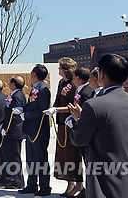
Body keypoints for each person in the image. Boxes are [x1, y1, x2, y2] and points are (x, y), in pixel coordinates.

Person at [69, 53, 128, 198]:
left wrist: (79, 120)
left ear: (101, 74)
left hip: (104, 185)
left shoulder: (94, 105)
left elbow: (78, 139)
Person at [44, 57, 83, 197]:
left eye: (60, 67)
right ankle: (69, 184)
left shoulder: (74, 85)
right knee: (63, 155)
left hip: (70, 122)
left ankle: (79, 184)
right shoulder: (61, 82)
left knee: (74, 155)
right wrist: (54, 108)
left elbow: (73, 105)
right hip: (61, 123)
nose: (58, 70)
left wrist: (58, 110)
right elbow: (57, 99)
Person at [16, 64, 51, 196]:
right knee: (31, 159)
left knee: (41, 159)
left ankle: (44, 187)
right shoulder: (34, 89)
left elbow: (42, 110)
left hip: (39, 130)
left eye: (31, 72)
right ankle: (31, 184)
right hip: (31, 129)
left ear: (35, 74)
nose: (30, 74)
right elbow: (32, 105)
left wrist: (27, 116)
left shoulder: (43, 89)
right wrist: (22, 109)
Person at [0, 75, 26, 189]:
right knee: (10, 156)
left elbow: (14, 116)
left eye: (10, 83)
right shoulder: (15, 95)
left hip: (14, 131)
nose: (8, 85)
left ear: (14, 84)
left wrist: (7, 128)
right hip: (11, 130)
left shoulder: (17, 96)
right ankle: (13, 179)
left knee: (14, 157)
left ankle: (18, 181)